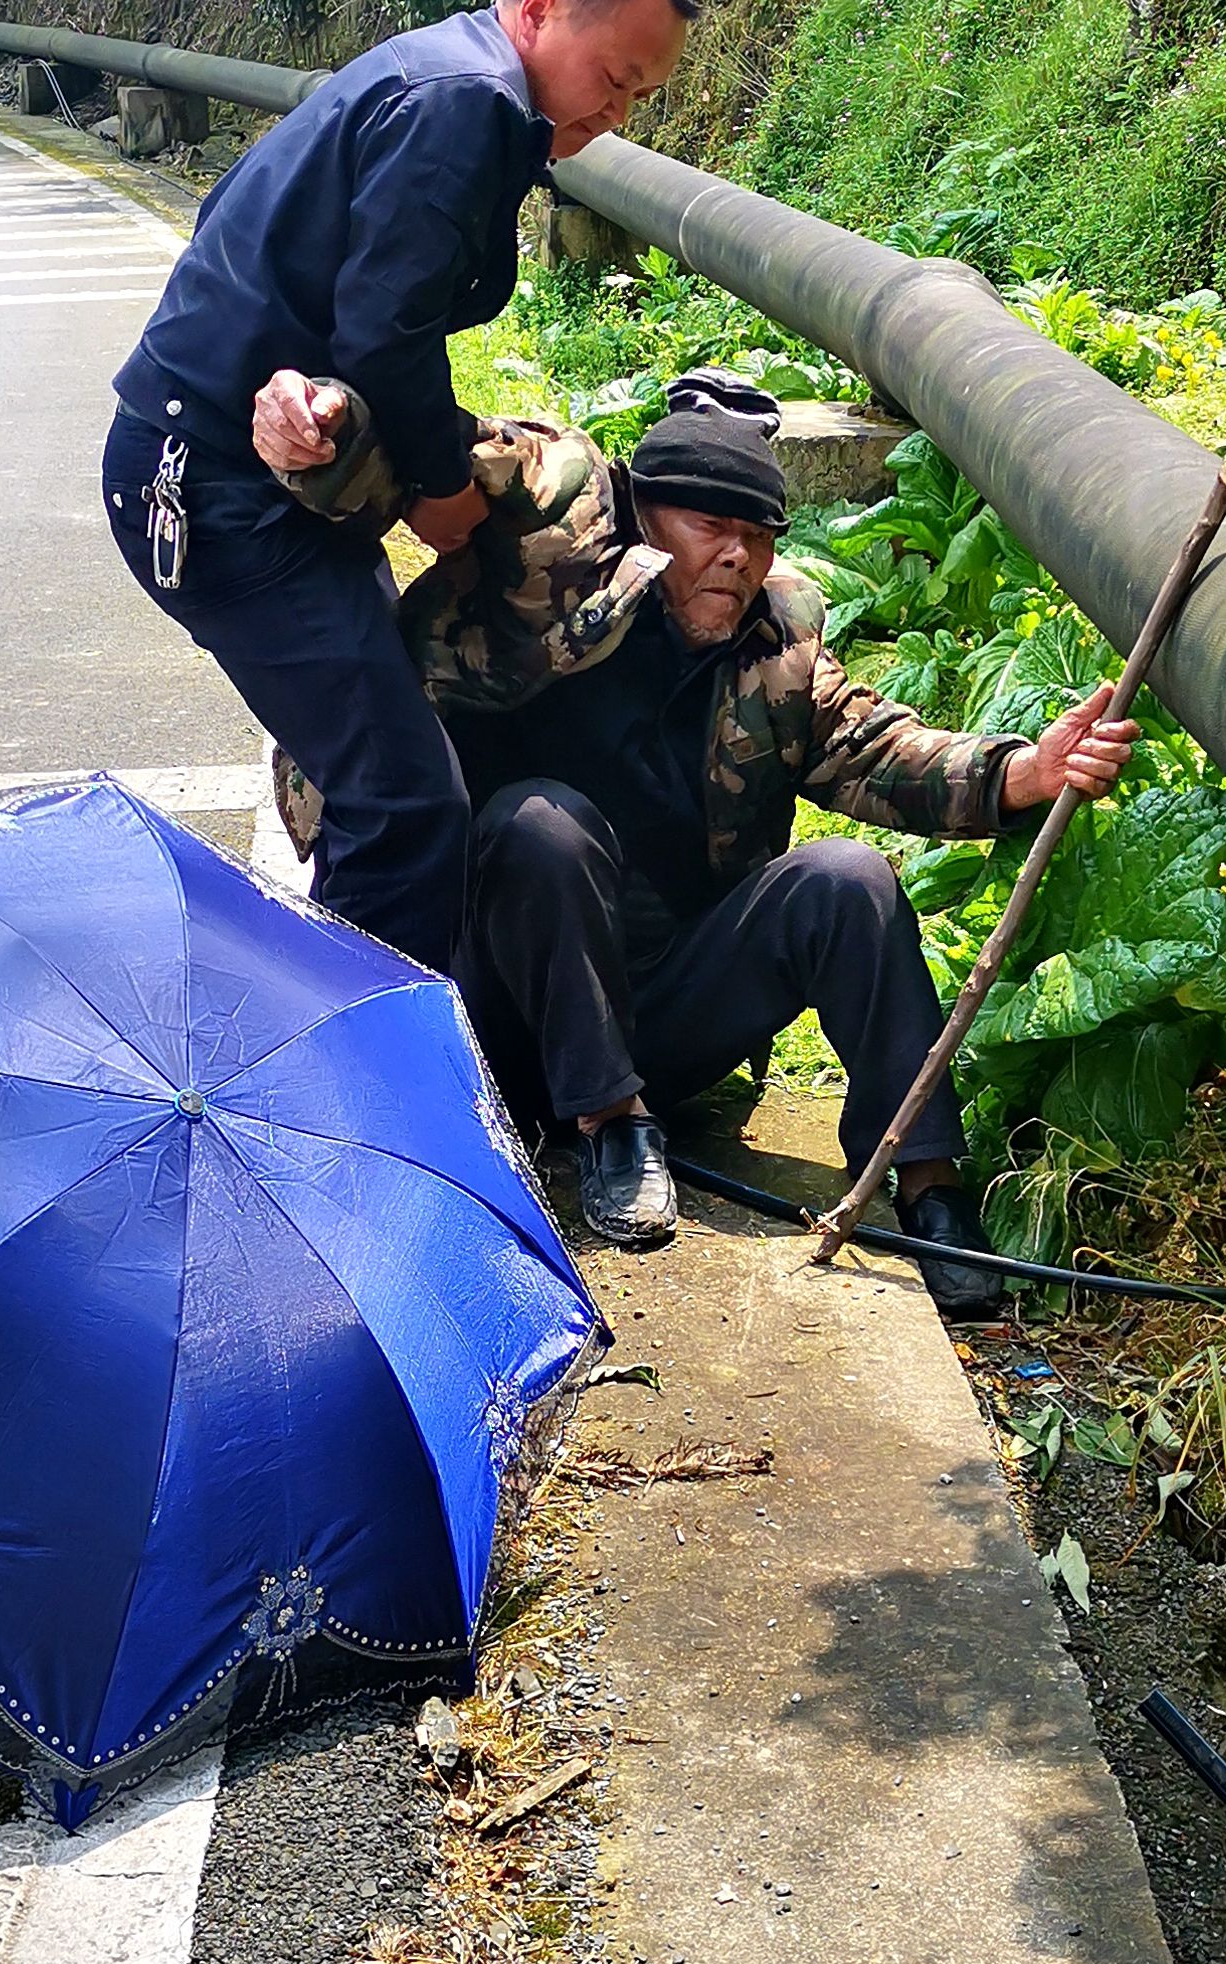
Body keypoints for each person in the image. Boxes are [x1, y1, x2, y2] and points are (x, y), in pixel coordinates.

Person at [256, 378, 1138, 1313]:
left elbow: (876, 748)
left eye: (759, 537)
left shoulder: (776, 644)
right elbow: (450, 458)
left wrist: (1021, 774)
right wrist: (333, 431)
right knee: (542, 823)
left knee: (850, 879)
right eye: (711, 527)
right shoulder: (545, 565)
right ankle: (609, 1126)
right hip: (495, 1017)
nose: (738, 557)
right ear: (645, 515)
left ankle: (930, 1188)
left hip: (663, 1007)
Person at [103, 0, 702, 971]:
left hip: (257, 474)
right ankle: (371, 1108)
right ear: (540, 8)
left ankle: (398, 1052)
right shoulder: (468, 102)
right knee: (404, 803)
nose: (618, 115)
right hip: (210, 488)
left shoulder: (440, 72)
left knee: (394, 762)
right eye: (616, 79)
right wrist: (438, 489)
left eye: (641, 97)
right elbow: (387, 333)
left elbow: (246, 217)